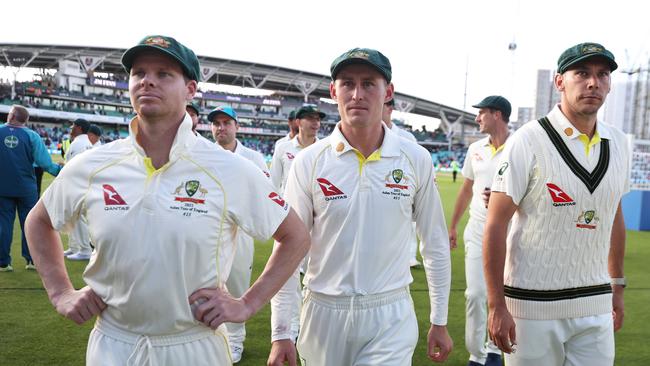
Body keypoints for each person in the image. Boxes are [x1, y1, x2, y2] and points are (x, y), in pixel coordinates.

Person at [25, 35, 310, 365]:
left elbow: (296, 236)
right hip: (113, 344)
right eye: (139, 73)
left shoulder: (229, 168)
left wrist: (246, 303)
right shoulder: (93, 164)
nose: (147, 80)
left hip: (193, 344)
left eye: (164, 74)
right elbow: (39, 220)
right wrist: (61, 293)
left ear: (190, 89)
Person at [268, 48, 452, 366]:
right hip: (323, 312)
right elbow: (288, 248)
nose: (357, 94)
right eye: (347, 84)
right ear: (333, 91)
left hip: (389, 313)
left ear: (388, 92)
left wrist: (439, 318)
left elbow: (434, 243)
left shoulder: (415, 158)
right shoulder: (309, 162)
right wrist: (281, 331)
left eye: (369, 83)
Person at [484, 42, 628, 366]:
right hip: (531, 307)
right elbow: (495, 223)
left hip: (595, 303)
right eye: (582, 73)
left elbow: (614, 216)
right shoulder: (528, 140)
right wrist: (496, 304)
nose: (593, 83)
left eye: (602, 75)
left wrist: (616, 285)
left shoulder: (619, 143)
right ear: (560, 81)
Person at [449, 95, 511, 366]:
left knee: (507, 296)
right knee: (475, 294)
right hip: (477, 232)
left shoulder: (521, 146)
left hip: (513, 233)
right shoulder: (475, 148)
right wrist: (452, 225)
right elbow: (466, 189)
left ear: (497, 115)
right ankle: (477, 355)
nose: (477, 118)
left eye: (481, 113)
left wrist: (504, 198)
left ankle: (496, 350)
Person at [208, 105, 270, 363]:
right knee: (207, 284)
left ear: (236, 126)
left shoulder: (253, 158)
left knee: (236, 285)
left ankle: (235, 340)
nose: (221, 128)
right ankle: (212, 338)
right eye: (216, 123)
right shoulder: (203, 155)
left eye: (226, 123)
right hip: (209, 230)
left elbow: (266, 193)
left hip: (241, 231)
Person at [0, 105, 61, 272]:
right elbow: (46, 164)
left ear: (12, 116)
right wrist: (62, 172)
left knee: (3, 224)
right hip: (26, 188)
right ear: (25, 120)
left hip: (3, 187)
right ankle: (31, 260)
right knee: (30, 224)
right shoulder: (32, 136)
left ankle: (3, 263)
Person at [382, 98, 421, 268]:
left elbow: (417, 165)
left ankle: (410, 257)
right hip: (380, 189)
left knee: (410, 226)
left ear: (389, 109)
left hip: (401, 188)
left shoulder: (407, 137)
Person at [270, 105, 323, 192]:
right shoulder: (282, 148)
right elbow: (273, 183)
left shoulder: (325, 150)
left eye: (318, 119)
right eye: (310, 118)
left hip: (317, 204)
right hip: (288, 203)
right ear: (298, 122)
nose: (315, 122)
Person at [63, 118, 94, 261]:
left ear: (79, 128)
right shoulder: (87, 143)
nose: (71, 129)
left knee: (77, 217)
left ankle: (85, 249)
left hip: (76, 184)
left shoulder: (78, 144)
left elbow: (73, 167)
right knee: (73, 216)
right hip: (84, 183)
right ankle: (75, 247)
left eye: (73, 126)